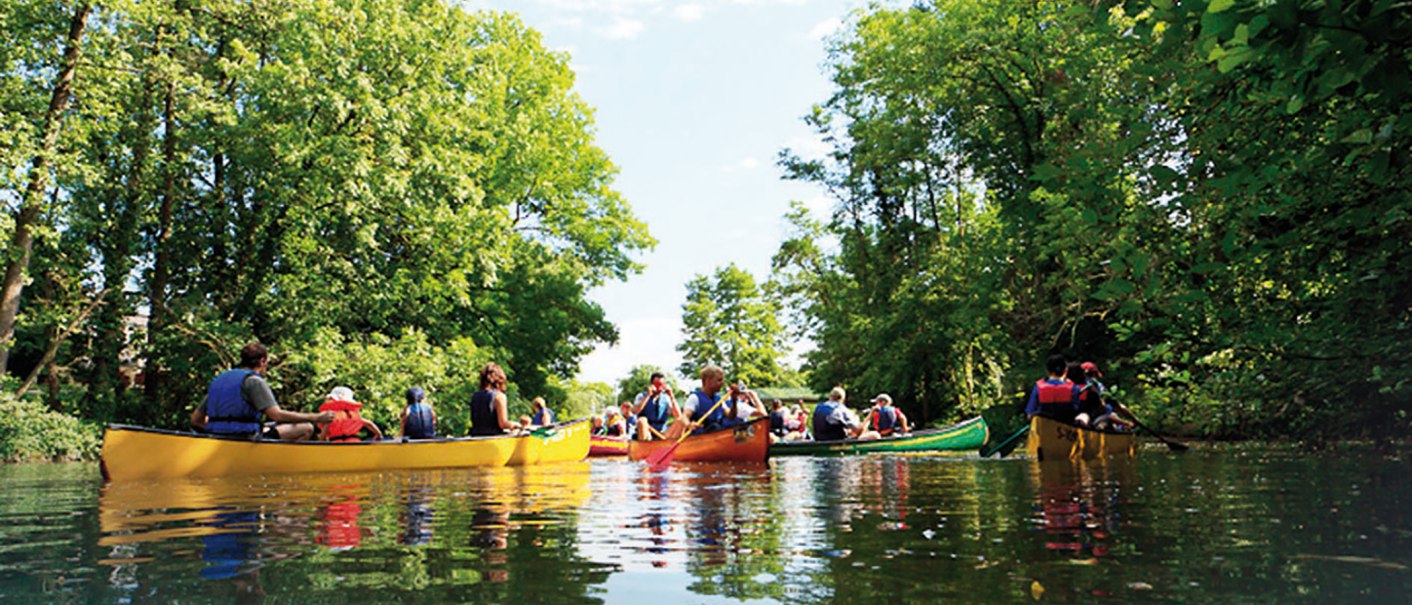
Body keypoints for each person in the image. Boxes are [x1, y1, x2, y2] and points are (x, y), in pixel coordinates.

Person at [190, 343, 334, 440]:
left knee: (266, 427)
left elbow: (196, 420)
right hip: (244, 437)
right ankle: (277, 467)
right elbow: (277, 415)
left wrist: (221, 428)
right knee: (306, 428)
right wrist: (316, 418)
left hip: (216, 436)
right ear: (262, 361)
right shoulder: (254, 381)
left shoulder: (219, 380)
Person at [666, 365, 729, 439]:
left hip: (719, 432)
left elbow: (731, 415)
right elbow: (684, 416)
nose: (722, 383)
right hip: (701, 435)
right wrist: (689, 424)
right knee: (715, 427)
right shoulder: (695, 398)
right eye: (719, 380)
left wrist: (734, 401)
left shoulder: (719, 399)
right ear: (708, 380)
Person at [469, 362, 522, 436]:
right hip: (494, 440)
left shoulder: (475, 396)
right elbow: (503, 424)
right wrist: (516, 424)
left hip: (476, 438)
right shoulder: (499, 397)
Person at [1078, 362, 1134, 430]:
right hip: (1098, 419)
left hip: (1092, 418)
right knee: (1112, 417)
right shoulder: (1097, 386)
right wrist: (1130, 422)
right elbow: (1116, 407)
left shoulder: (1073, 385)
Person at [1025, 353, 1080, 423]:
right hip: (1066, 430)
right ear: (1065, 371)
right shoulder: (1073, 388)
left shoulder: (1038, 387)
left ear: (1047, 371)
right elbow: (1076, 410)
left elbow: (1029, 415)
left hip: (1043, 429)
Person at [811, 386, 879, 441]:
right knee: (875, 435)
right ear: (842, 399)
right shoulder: (841, 409)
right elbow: (859, 431)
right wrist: (870, 415)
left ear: (830, 397)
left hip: (818, 439)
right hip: (835, 441)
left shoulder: (818, 407)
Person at [317, 386, 384, 441]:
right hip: (354, 443)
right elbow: (369, 424)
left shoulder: (330, 416)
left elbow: (324, 433)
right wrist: (379, 435)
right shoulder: (353, 414)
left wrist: (320, 442)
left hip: (336, 445)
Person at [633, 372, 681, 440]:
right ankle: (644, 446)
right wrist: (648, 396)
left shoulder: (667, 398)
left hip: (662, 432)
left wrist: (671, 396)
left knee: (681, 421)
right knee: (642, 420)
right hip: (647, 432)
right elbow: (635, 411)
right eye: (656, 385)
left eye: (661, 385)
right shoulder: (641, 396)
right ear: (651, 385)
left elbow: (678, 416)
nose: (659, 388)